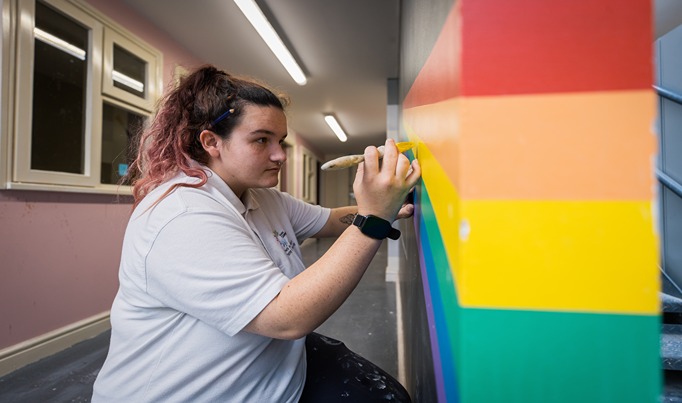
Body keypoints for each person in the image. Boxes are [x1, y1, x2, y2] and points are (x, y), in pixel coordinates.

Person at [91, 65, 421, 402]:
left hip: (271, 374)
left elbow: (332, 221)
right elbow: (288, 317)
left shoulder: (262, 197)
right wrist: (373, 218)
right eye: (261, 140)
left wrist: (389, 204)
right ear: (211, 142)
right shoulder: (182, 216)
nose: (279, 155)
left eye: (281, 142)